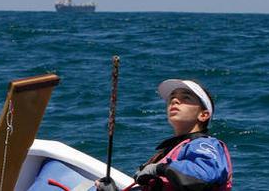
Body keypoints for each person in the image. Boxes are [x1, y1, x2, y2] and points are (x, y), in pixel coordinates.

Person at [96, 79, 233, 191]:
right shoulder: (170, 151)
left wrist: (159, 168)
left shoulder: (204, 144)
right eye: (172, 98)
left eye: (185, 97)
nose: (174, 101)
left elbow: (202, 176)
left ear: (203, 115)